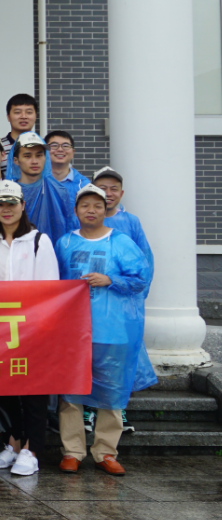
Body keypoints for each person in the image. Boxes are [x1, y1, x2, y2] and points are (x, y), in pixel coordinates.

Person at [55, 184, 150, 476]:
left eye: (97, 205)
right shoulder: (65, 243)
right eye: (85, 205)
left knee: (112, 390)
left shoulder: (121, 242)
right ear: (75, 210)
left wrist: (111, 279)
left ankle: (106, 451)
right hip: (73, 330)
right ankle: (72, 451)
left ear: (106, 209)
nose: (91, 210)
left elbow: (140, 278)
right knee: (70, 390)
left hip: (113, 330)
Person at [0, 180, 60, 478]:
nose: (6, 209)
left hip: (32, 329)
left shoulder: (38, 241)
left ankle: (31, 450)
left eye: (12, 203)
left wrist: (41, 327)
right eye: (0, 204)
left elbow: (49, 290)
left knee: (34, 391)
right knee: (5, 387)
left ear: (23, 205)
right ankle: (12, 444)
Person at [94, 165, 157, 401]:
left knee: (126, 344)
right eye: (102, 188)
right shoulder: (82, 220)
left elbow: (145, 259)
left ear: (121, 193)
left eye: (114, 189)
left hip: (125, 296)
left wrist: (138, 292)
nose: (108, 193)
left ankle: (122, 398)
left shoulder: (130, 222)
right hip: (95, 296)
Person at [9, 131, 75, 243]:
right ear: (16, 160)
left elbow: (68, 229)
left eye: (39, 155)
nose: (35, 161)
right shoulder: (6, 191)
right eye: (27, 156)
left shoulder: (59, 192)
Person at [46, 130, 91, 203]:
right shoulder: (35, 181)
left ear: (73, 153)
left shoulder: (83, 185)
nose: (60, 149)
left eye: (65, 146)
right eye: (54, 145)